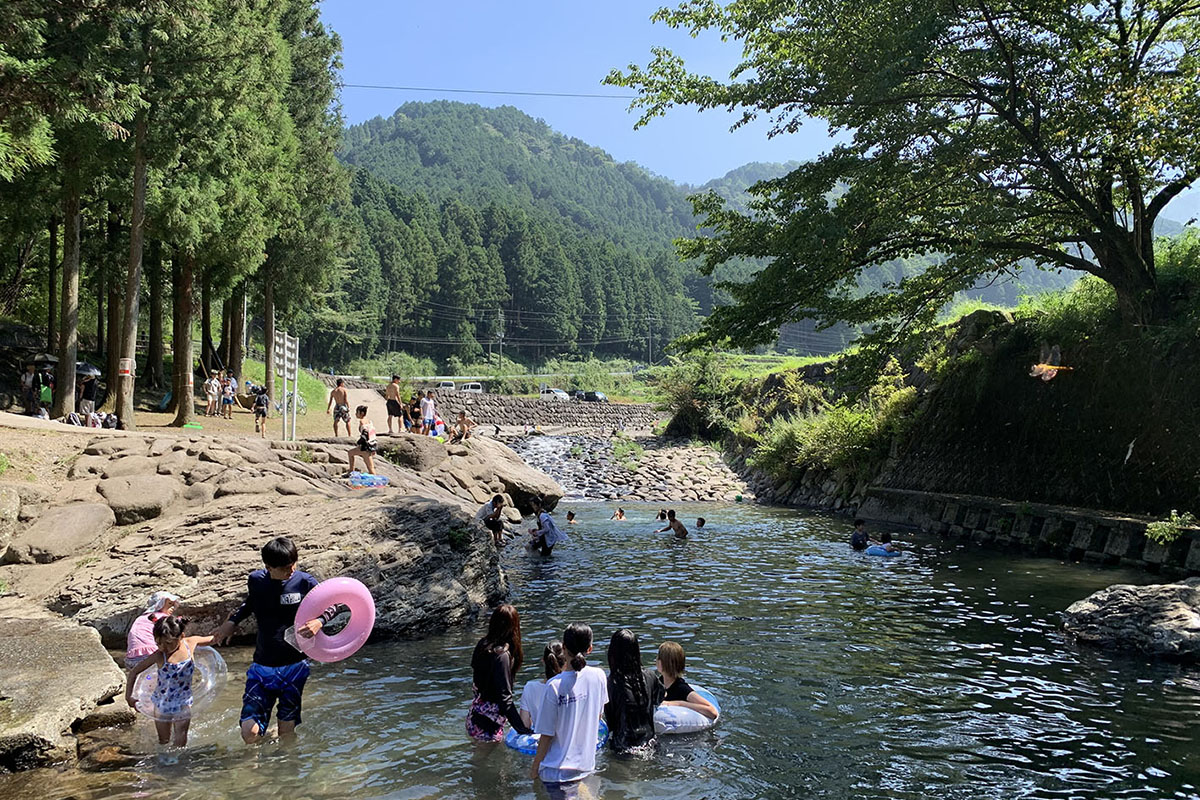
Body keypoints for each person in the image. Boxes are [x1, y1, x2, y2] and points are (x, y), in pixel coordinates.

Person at [211, 537, 348, 744]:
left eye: (293, 564)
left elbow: (337, 604)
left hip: (295, 666)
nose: (291, 570)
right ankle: (256, 773)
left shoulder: (305, 582)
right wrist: (233, 621)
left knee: (287, 733)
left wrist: (320, 621)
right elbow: (251, 603)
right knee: (249, 732)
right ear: (268, 567)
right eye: (285, 568)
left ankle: (284, 770)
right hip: (262, 667)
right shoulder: (256, 581)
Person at [530, 623, 608, 787]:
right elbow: (597, 717)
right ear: (590, 649)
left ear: (564, 648)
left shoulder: (554, 685)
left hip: (555, 773)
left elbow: (546, 736)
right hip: (586, 769)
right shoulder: (599, 676)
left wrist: (534, 769)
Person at [124, 615, 216, 747]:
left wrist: (230, 623)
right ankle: (165, 763)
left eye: (168, 643)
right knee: (164, 741)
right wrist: (129, 697)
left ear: (181, 636)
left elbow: (214, 638)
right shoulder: (159, 655)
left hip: (183, 702)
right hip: (162, 703)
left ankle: (179, 764)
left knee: (181, 739)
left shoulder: (191, 643)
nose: (162, 647)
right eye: (158, 643)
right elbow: (134, 672)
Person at [467, 604, 535, 742]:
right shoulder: (502, 656)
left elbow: (476, 683)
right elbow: (505, 699)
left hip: (475, 716)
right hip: (489, 726)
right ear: (514, 627)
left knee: (478, 761)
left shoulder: (483, 644)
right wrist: (523, 730)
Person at [605, 628, 663, 754]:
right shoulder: (650, 676)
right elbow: (660, 698)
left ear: (612, 654)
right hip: (650, 745)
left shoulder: (611, 684)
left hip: (623, 750)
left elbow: (610, 724)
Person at [655, 642, 718, 720]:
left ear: (661, 663)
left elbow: (712, 711)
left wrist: (679, 703)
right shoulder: (658, 683)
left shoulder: (681, 688)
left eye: (658, 658)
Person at [519, 641, 566, 731]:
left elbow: (525, 725)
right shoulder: (570, 686)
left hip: (541, 738)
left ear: (543, 661)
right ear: (566, 663)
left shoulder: (529, 688)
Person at [126, 591, 180, 668]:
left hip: (131, 658)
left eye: (173, 605)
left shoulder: (142, 618)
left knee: (144, 677)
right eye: (170, 604)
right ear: (159, 604)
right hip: (150, 655)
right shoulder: (162, 618)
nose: (173, 608)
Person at [348, 405, 377, 475]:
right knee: (371, 468)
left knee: (350, 453)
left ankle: (351, 471)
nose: (355, 414)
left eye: (357, 412)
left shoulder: (362, 422)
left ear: (362, 413)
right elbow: (372, 434)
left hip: (365, 447)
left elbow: (365, 434)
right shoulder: (369, 421)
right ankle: (351, 471)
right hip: (371, 445)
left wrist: (360, 443)